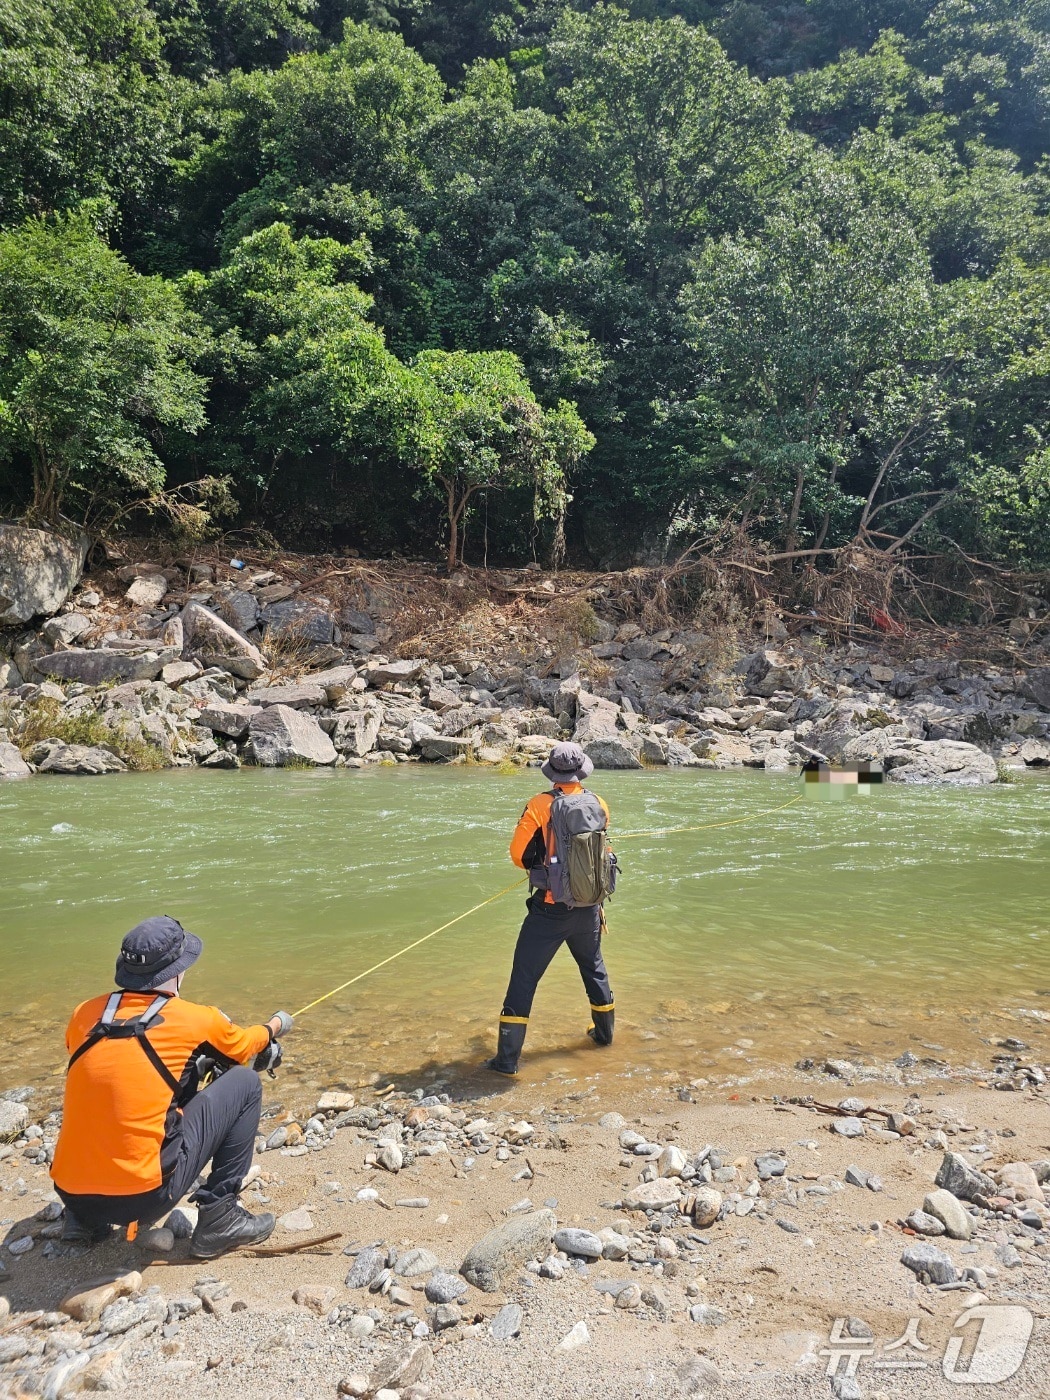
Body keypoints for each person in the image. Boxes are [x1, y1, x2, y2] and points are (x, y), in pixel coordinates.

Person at [51, 915, 294, 1259]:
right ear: (178, 970)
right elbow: (243, 1047)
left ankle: (83, 1221)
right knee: (245, 1082)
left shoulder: (82, 1014)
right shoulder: (195, 1017)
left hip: (71, 1192)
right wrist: (274, 1025)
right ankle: (220, 1215)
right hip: (145, 1199)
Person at [487, 741, 616, 1076]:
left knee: (524, 977)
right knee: (594, 968)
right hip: (589, 906)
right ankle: (604, 1038)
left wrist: (541, 870)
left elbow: (518, 854)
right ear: (580, 771)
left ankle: (506, 1061)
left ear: (553, 773)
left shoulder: (539, 805)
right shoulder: (598, 802)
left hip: (549, 909)